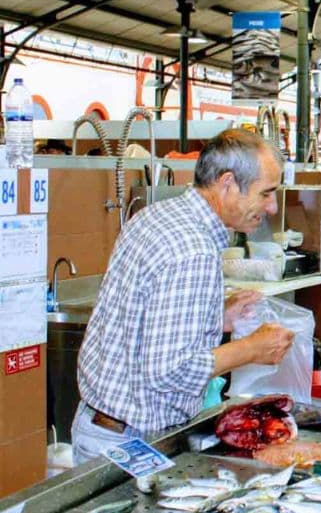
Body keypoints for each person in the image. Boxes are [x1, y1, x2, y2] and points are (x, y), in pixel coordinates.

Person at [73, 130, 294, 465]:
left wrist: (216, 317)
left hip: (105, 424)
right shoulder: (193, 249)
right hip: (129, 440)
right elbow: (168, 370)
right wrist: (251, 350)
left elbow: (146, 320)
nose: (272, 207)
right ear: (228, 183)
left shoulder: (157, 215)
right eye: (266, 193)